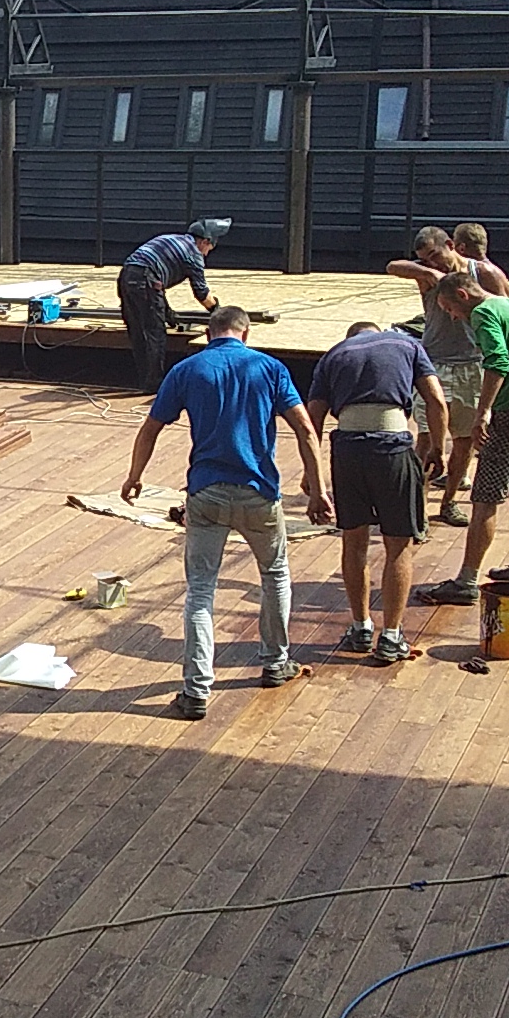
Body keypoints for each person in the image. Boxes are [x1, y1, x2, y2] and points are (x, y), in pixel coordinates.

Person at [121, 305, 332, 720]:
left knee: (201, 590)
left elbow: (151, 427)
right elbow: (306, 429)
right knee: (274, 574)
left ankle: (196, 690)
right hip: (259, 493)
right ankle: (275, 662)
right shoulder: (270, 369)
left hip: (206, 494)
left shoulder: (187, 370)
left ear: (208, 333)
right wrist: (317, 489)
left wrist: (135, 476)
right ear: (246, 333)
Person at [415, 272, 509, 605]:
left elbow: (497, 360)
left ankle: (466, 581)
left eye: (450, 309)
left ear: (462, 295)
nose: (453, 317)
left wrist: (483, 411)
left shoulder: (484, 313)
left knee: (485, 500)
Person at [305, 322, 450, 663]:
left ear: (350, 337)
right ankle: (392, 636)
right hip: (392, 449)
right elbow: (437, 402)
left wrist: (313, 476)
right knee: (398, 545)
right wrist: (437, 449)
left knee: (353, 542)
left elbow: (312, 421)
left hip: (348, 451)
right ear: (378, 331)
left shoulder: (333, 355)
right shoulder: (407, 345)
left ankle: (360, 628)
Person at [385, 226, 507, 526]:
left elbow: (506, 310)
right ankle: (417, 506)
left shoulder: (483, 273)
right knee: (427, 438)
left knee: (464, 440)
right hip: (435, 364)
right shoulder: (428, 274)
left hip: (471, 365)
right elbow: (393, 266)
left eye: (435, 255)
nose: (433, 262)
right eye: (425, 258)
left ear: (451, 245)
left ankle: (449, 502)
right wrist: (428, 272)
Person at [119, 218, 230, 392]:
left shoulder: (171, 238)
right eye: (209, 248)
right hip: (146, 280)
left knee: (137, 331)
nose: (207, 254)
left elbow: (154, 281)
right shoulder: (193, 255)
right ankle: (155, 384)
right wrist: (218, 311)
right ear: (204, 241)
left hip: (126, 275)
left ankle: (143, 380)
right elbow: (201, 293)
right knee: (155, 333)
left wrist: (169, 315)